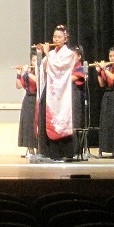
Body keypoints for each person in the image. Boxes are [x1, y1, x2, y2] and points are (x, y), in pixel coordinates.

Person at [35, 25, 76, 161]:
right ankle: (48, 152)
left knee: (60, 118)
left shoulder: (69, 54)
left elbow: (58, 67)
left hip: (61, 92)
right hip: (50, 90)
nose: (56, 39)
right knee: (45, 116)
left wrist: (47, 53)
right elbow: (43, 68)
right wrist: (40, 53)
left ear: (65, 39)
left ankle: (63, 152)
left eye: (59, 37)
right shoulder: (52, 53)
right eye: (54, 37)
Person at [15, 50, 38, 157]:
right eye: (33, 60)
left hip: (38, 99)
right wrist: (19, 74)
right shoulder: (30, 73)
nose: (34, 62)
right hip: (28, 99)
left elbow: (38, 81)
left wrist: (27, 73)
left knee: (36, 124)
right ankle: (30, 150)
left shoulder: (42, 72)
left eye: (36, 60)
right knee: (27, 123)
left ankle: (39, 150)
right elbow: (19, 86)